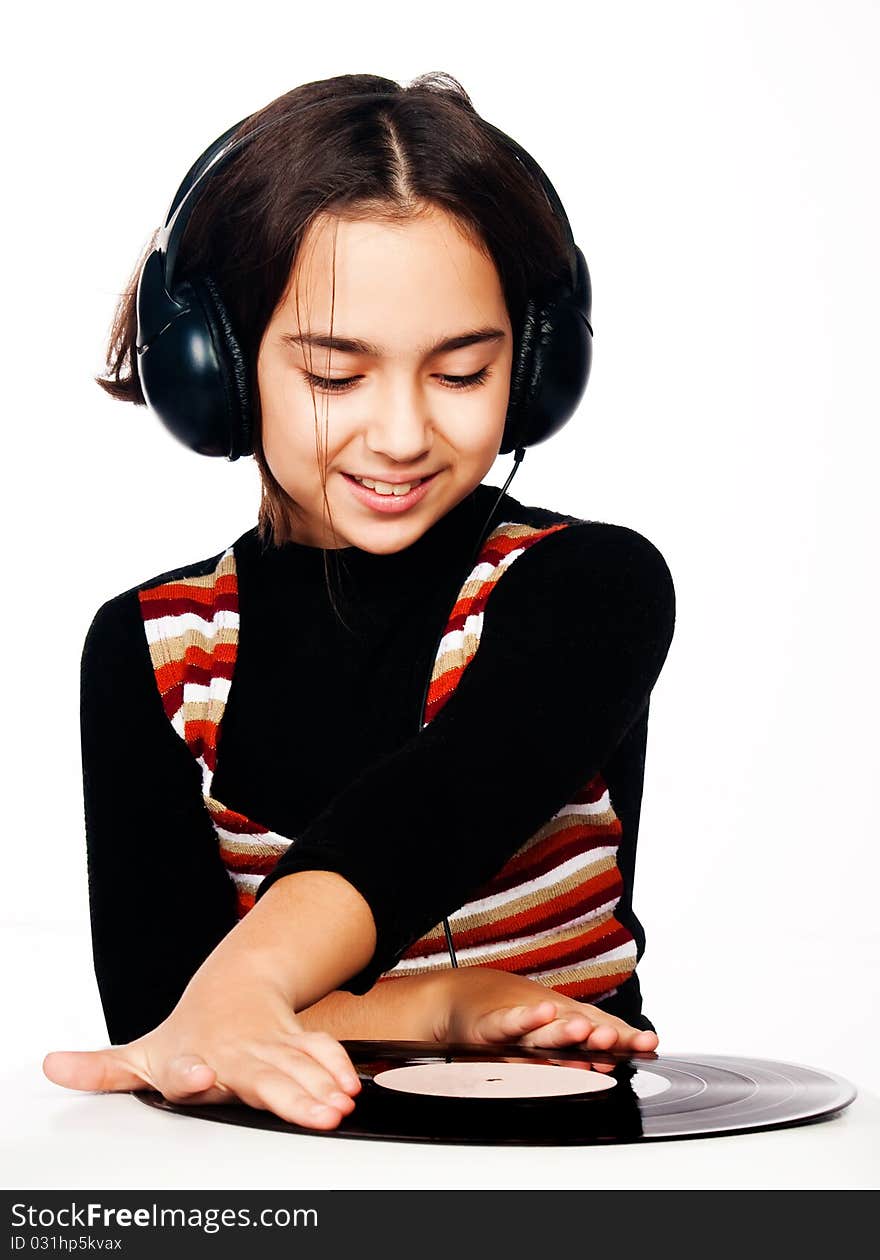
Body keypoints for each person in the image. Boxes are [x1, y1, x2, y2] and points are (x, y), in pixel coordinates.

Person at [42, 72, 676, 1132]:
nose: (398, 433)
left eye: (463, 372)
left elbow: (434, 809)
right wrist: (443, 1004)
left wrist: (253, 989)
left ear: (535, 367)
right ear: (218, 369)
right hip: (268, 1173)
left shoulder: (589, 589)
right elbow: (173, 1024)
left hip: (565, 1161)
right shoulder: (150, 651)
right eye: (336, 376)